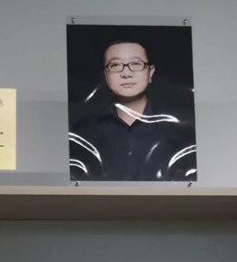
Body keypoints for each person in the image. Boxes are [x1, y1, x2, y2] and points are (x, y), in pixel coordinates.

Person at [69, 40, 197, 182]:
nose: (126, 73)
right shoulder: (83, 133)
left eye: (136, 64)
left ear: (150, 72)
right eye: (115, 65)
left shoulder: (179, 132)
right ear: (106, 74)